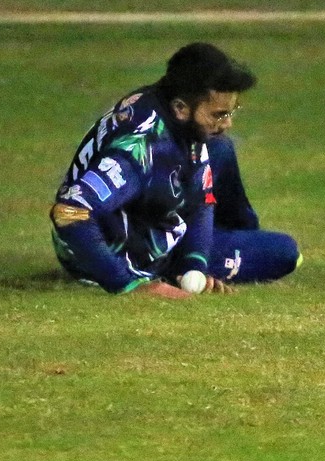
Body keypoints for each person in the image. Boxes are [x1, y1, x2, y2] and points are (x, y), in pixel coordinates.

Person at [50, 42, 301, 299]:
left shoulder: (174, 114)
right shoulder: (142, 149)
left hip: (150, 220)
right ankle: (163, 266)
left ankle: (212, 247)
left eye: (231, 112)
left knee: (221, 148)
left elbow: (201, 199)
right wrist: (129, 285)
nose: (227, 123)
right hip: (113, 253)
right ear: (181, 108)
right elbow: (70, 211)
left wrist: (194, 265)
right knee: (284, 253)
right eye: (218, 114)